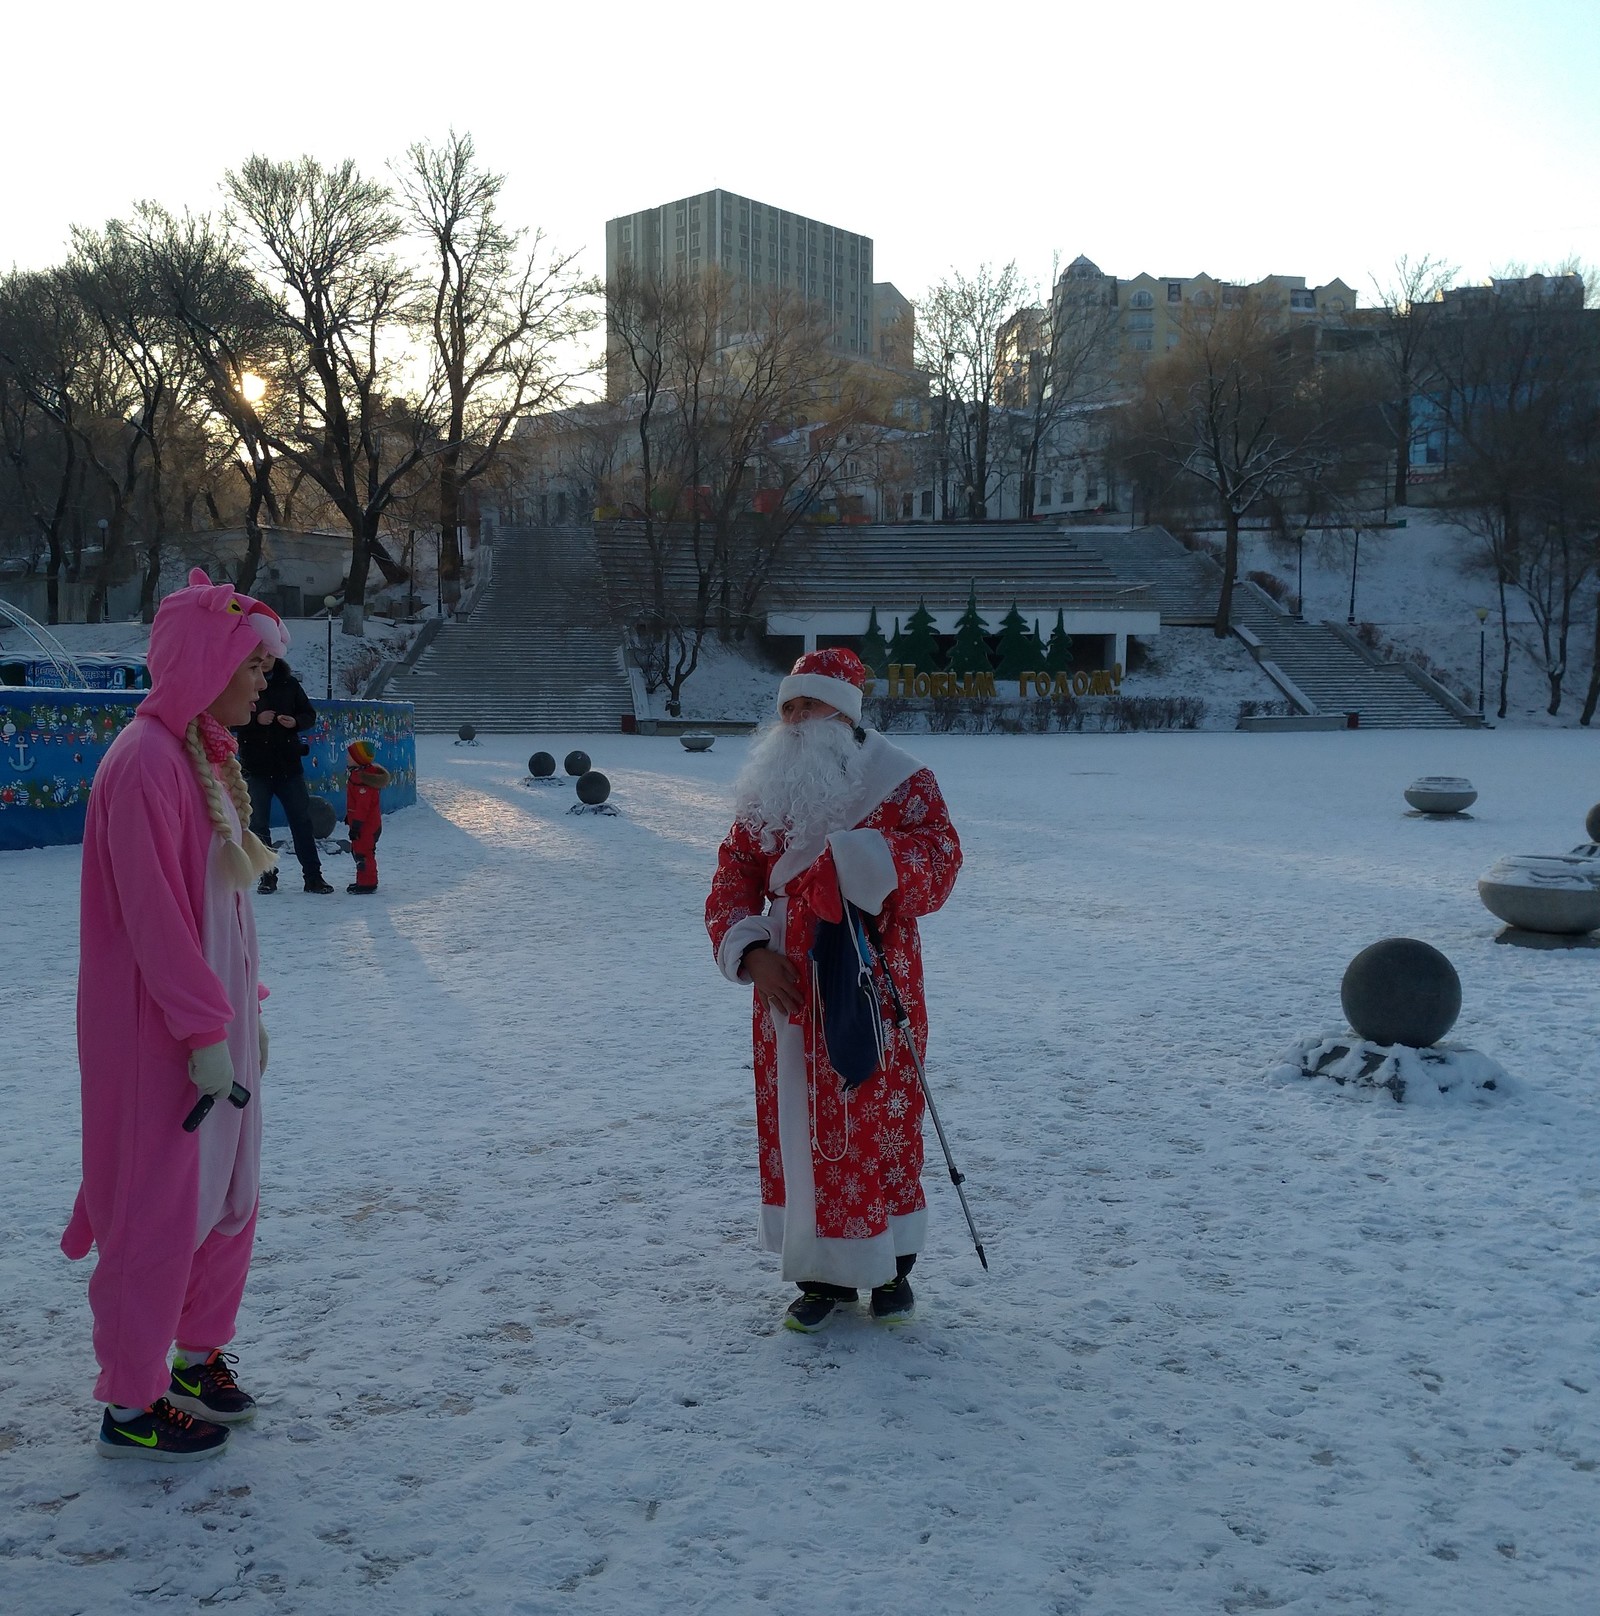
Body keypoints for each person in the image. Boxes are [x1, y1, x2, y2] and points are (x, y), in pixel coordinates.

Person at [64, 568, 287, 1461]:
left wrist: (246, 1013)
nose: (264, 682)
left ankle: (196, 1355)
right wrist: (202, 1032)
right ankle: (130, 1399)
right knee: (156, 1208)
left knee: (230, 1197)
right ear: (206, 662)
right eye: (255, 666)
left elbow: (221, 911)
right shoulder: (146, 763)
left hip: (212, 1031)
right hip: (157, 1037)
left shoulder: (207, 756)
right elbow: (155, 919)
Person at [705, 647, 962, 1332]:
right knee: (800, 1126)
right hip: (788, 988)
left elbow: (940, 860)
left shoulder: (902, 782)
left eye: (809, 705)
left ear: (842, 714)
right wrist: (751, 950)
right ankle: (820, 1275)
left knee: (880, 1118)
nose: (793, 719)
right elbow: (734, 875)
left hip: (872, 972)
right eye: (787, 705)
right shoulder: (766, 793)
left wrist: (855, 862)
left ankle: (891, 1272)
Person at [235, 655, 334, 895]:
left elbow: (309, 715)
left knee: (302, 822)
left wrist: (295, 722)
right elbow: (231, 719)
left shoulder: (289, 684)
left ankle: (313, 877)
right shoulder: (242, 681)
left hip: (288, 766)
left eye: (270, 655)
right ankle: (267, 877)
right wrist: (256, 720)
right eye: (262, 656)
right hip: (256, 767)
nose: (266, 661)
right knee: (259, 825)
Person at [343, 739, 390, 895]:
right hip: (362, 824)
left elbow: (363, 807)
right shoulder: (358, 776)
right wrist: (349, 816)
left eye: (350, 755)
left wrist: (356, 825)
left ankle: (368, 883)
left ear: (358, 759)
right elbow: (355, 804)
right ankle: (363, 880)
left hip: (366, 826)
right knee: (359, 851)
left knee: (364, 854)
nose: (347, 757)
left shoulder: (363, 780)